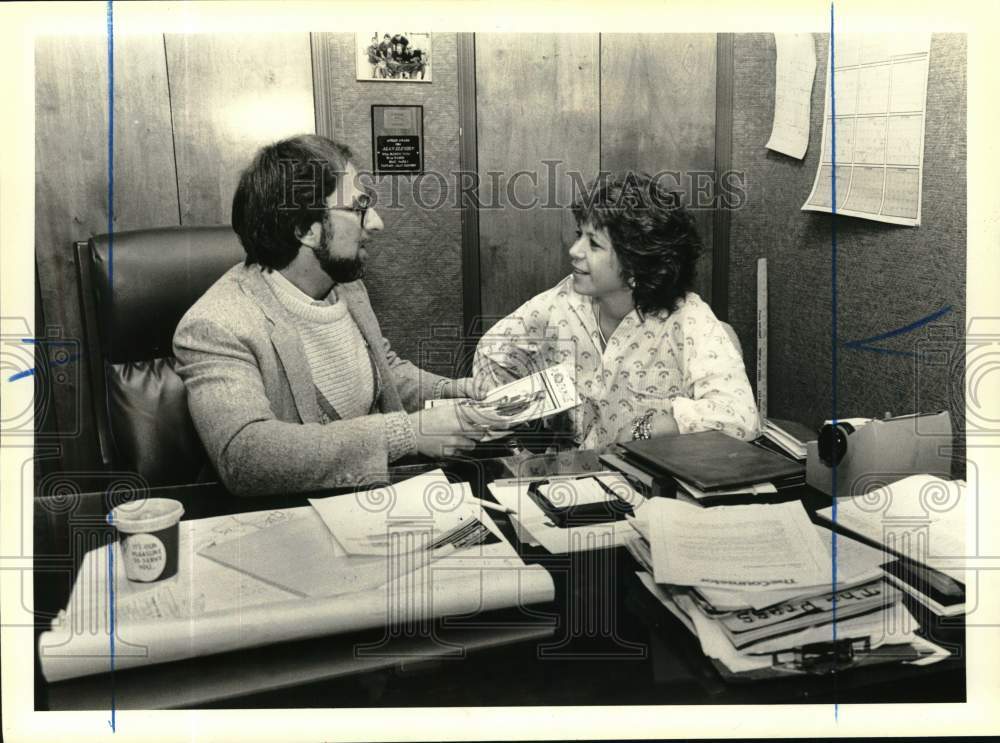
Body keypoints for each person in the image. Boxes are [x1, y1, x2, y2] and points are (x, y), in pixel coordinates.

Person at [174, 134, 487, 496]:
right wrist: (407, 433)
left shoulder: (347, 286)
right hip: (288, 515)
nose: (376, 223)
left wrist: (454, 390)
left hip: (366, 498)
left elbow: (385, 373)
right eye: (358, 209)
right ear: (306, 230)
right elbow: (245, 456)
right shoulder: (216, 325)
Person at [473, 172, 760, 450]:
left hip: (649, 478)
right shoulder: (563, 302)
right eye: (579, 235)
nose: (574, 250)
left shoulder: (688, 317)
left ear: (637, 263)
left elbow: (741, 417)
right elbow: (492, 353)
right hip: (573, 474)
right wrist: (523, 432)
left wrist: (651, 427)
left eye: (593, 243)